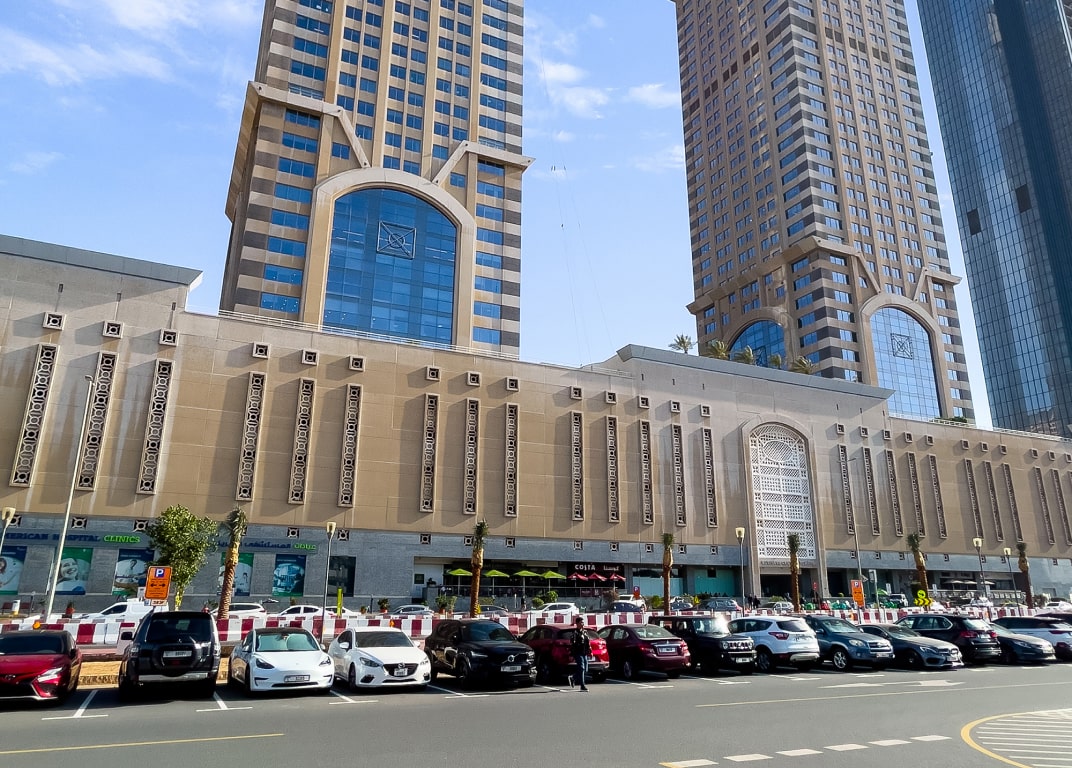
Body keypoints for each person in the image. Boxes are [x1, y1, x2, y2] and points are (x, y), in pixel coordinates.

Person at [569, 616, 592, 691]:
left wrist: (590, 651)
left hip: (584, 652)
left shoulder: (585, 632)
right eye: (581, 622)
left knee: (585, 670)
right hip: (578, 653)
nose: (582, 624)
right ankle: (582, 685)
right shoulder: (575, 633)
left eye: (583, 622)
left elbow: (588, 642)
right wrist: (572, 654)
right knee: (581, 668)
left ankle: (573, 677)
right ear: (577, 624)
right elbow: (572, 643)